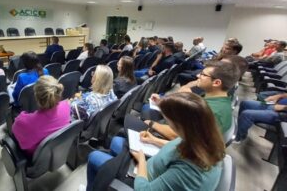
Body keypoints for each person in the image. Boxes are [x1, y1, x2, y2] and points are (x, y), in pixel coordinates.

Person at [85, 92, 224, 191]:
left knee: (94, 157)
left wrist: (141, 163)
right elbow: (177, 145)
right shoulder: (202, 138)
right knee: (116, 141)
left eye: (168, 120)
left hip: (141, 179)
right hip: (154, 166)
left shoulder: (190, 172)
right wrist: (154, 140)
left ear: (181, 125)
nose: (167, 124)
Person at [139, 60, 239, 145]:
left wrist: (151, 124)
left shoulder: (212, 112)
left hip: (170, 143)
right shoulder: (214, 97)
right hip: (174, 126)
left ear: (216, 82)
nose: (198, 75)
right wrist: (162, 103)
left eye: (203, 74)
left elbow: (180, 139)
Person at [12, 75, 71, 156]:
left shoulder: (23, 122)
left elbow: (14, 131)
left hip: (34, 157)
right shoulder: (66, 106)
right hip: (56, 152)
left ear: (36, 96)